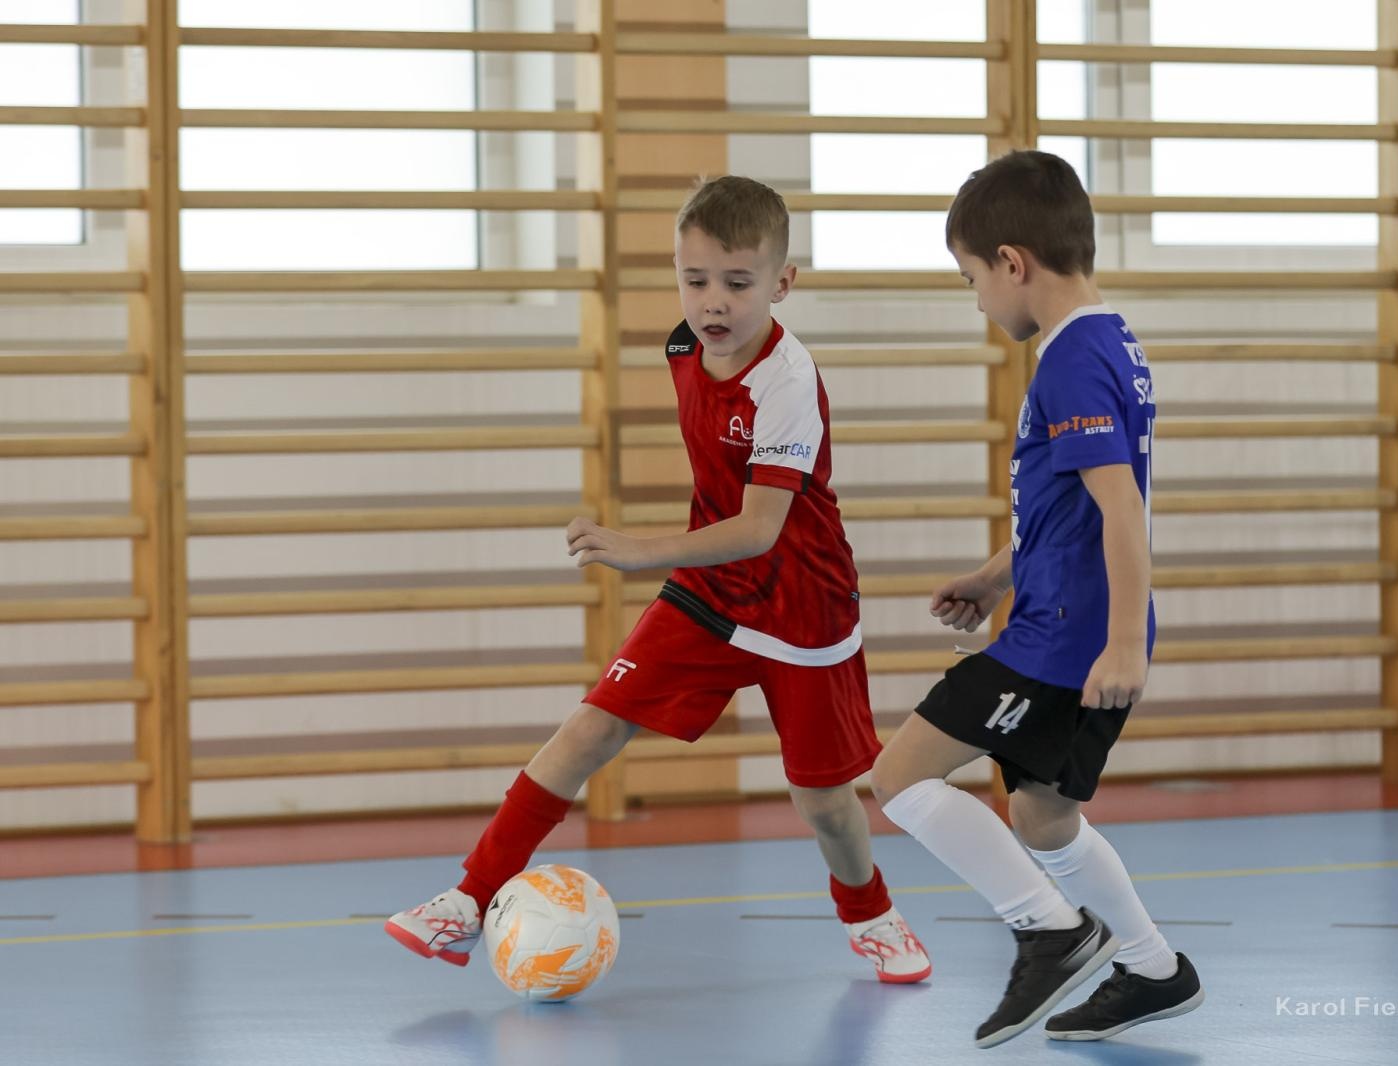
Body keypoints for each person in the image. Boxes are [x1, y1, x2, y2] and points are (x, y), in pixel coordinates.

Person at [386, 175, 930, 985]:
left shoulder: (785, 383)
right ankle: (467, 900)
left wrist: (640, 550)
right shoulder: (683, 346)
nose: (713, 302)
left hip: (802, 607)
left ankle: (872, 915)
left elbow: (760, 528)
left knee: (822, 799)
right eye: (695, 279)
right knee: (589, 729)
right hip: (711, 593)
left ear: (783, 283)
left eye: (737, 283)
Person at [870, 150, 1203, 1047]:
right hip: (1060, 619)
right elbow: (1067, 509)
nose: (978, 299)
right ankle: (1154, 969)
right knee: (1043, 815)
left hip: (1066, 639)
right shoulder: (1107, 339)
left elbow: (1120, 509)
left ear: (1012, 263)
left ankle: (1050, 930)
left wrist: (1122, 643)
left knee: (899, 777)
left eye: (972, 278)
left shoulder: (1071, 362)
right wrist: (994, 576)